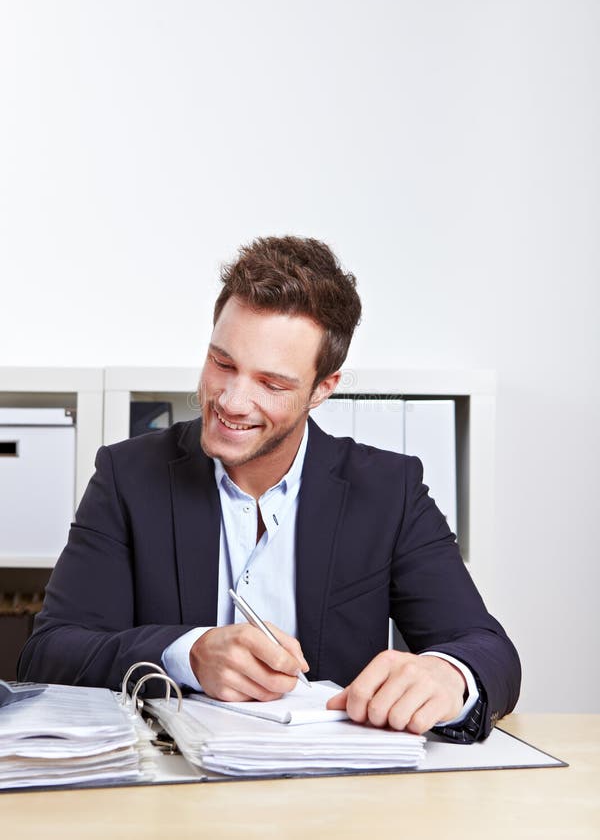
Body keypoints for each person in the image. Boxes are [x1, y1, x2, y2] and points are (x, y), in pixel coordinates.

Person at [18, 236, 520, 742]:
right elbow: (49, 653)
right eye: (222, 363)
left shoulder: (390, 490)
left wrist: (448, 675)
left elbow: (487, 649)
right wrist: (187, 654)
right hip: (173, 793)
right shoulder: (128, 476)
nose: (232, 402)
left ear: (322, 388)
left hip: (338, 791)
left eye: (272, 385)